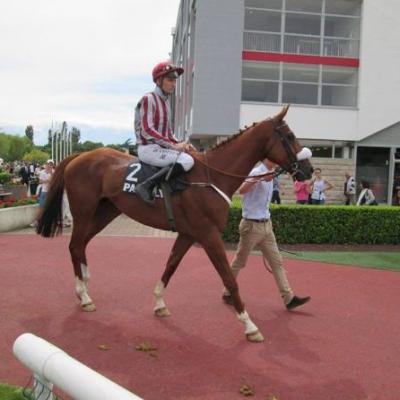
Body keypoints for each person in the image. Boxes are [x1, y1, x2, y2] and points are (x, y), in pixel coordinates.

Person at [222, 159, 311, 310]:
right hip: (251, 226)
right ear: (265, 159)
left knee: (277, 262)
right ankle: (227, 292)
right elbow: (242, 190)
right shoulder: (256, 172)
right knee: (240, 262)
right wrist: (260, 178)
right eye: (273, 158)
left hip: (266, 225)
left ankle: (289, 299)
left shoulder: (273, 172)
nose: (276, 160)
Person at [134, 61, 195, 204]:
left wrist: (181, 144)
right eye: (170, 80)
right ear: (158, 81)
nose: (173, 84)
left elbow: (168, 133)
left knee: (190, 155)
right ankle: (146, 186)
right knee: (187, 160)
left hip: (160, 149)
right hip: (148, 149)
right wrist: (174, 146)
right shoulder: (148, 99)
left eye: (175, 80)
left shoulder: (166, 103)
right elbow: (147, 130)